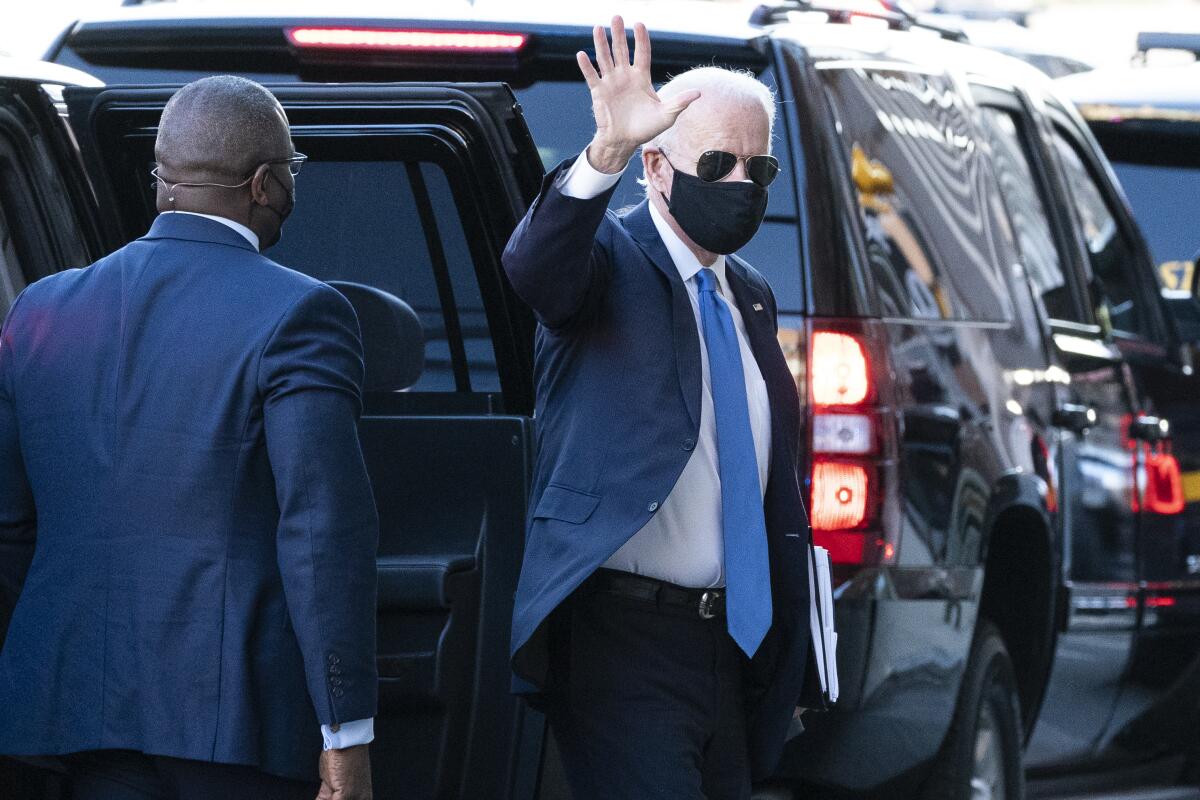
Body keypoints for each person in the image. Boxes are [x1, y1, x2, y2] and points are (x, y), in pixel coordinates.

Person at [0, 76, 378, 800]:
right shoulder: (303, 313)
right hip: (233, 724)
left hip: (69, 718)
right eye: (291, 173)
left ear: (160, 178)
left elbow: (10, 526)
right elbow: (319, 532)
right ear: (264, 184)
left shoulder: (39, 309)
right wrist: (347, 735)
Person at [505, 16, 822, 800]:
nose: (741, 184)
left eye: (760, 166)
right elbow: (536, 271)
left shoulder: (748, 294)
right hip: (625, 644)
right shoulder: (607, 258)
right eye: (717, 162)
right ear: (654, 165)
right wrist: (602, 151)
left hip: (733, 645)